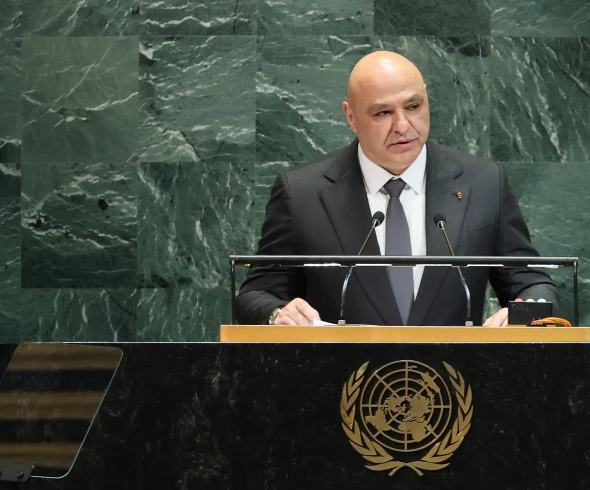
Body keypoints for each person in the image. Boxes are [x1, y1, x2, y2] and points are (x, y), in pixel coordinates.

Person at [236, 51, 556, 326]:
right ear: (351, 116)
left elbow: (531, 283)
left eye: (413, 106)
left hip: (455, 384)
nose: (402, 125)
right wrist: (278, 314)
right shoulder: (302, 193)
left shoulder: (484, 182)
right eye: (383, 112)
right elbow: (256, 294)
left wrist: (523, 315)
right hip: (340, 386)